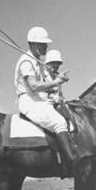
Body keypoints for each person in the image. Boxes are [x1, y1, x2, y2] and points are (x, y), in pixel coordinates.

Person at [14, 27, 77, 178]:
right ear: (34, 44)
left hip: (39, 100)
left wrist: (56, 82)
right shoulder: (26, 62)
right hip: (29, 101)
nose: (46, 47)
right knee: (59, 122)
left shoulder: (37, 62)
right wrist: (56, 81)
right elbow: (34, 86)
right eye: (43, 44)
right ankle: (72, 163)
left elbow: (45, 86)